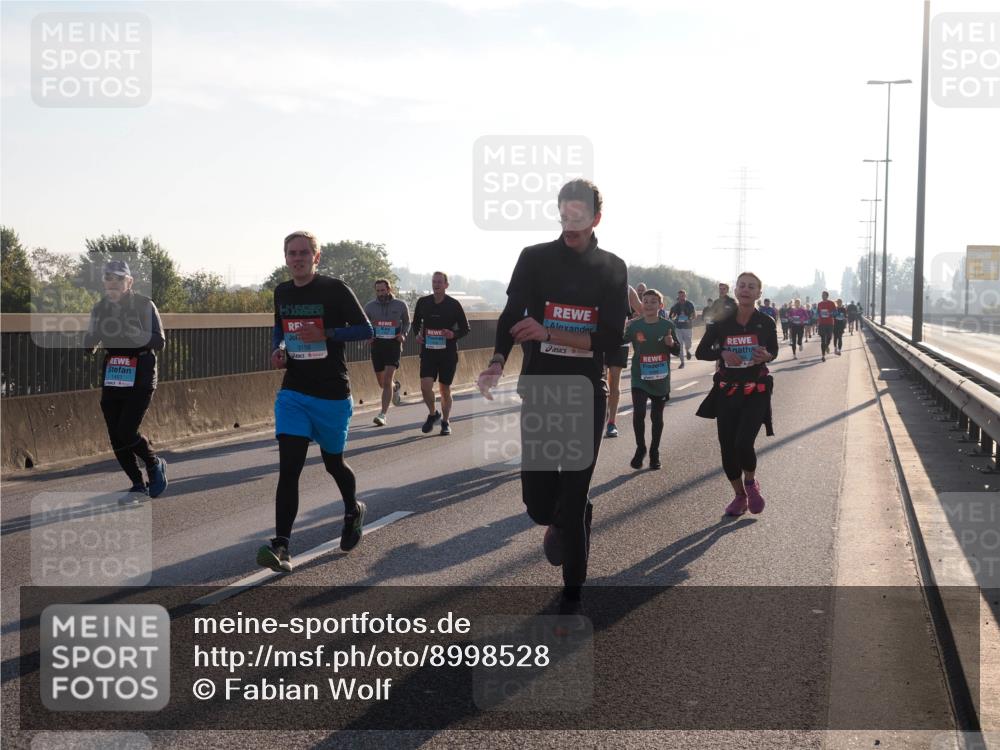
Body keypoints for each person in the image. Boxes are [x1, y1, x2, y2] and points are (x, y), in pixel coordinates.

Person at [477, 178, 628, 616]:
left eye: (579, 215)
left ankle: (572, 594)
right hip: (541, 389)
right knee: (539, 503)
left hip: (585, 391)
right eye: (564, 214)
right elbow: (510, 313)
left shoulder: (613, 268)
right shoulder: (535, 259)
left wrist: (549, 332)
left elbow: (609, 339)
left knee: (575, 491)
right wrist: (497, 360)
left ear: (596, 218)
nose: (570, 222)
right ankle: (565, 515)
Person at [258, 231, 373, 574]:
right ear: (285, 257)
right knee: (289, 469)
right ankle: (281, 545)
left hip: (332, 393)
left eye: (304, 253)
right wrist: (279, 348)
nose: (297, 258)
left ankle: (353, 510)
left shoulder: (335, 289)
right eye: (291, 253)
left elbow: (365, 330)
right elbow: (280, 328)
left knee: (333, 463)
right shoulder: (282, 291)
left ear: (316, 257)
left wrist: (327, 334)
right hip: (294, 391)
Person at [83, 260, 168, 505]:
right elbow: (91, 340)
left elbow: (159, 341)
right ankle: (137, 485)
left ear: (129, 282)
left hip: (140, 372)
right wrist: (90, 342)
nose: (113, 284)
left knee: (126, 430)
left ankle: (153, 463)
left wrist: (137, 335)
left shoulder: (144, 304)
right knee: (115, 435)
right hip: (114, 373)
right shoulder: (100, 308)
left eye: (119, 279)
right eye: (108, 280)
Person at [695, 271, 778, 516]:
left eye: (751, 286)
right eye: (742, 285)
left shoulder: (766, 322)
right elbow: (701, 352)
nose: (745, 289)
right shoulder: (722, 322)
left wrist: (768, 356)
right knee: (727, 448)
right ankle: (739, 496)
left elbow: (773, 350)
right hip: (727, 391)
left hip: (756, 390)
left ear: (758, 293)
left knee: (743, 442)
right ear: (735, 290)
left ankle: (751, 484)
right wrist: (721, 353)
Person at [625, 289, 680, 470]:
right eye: (645, 301)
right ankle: (641, 448)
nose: (648, 305)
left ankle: (654, 451)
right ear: (641, 304)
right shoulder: (634, 326)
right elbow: (618, 340)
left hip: (660, 379)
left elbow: (677, 350)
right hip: (639, 377)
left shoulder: (667, 326)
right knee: (639, 413)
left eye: (653, 302)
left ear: (660, 306)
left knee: (657, 417)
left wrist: (671, 344)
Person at [412, 271, 471, 436]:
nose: (436, 284)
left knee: (445, 389)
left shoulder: (454, 304)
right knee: (425, 387)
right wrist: (417, 334)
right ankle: (433, 414)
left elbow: (465, 328)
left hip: (448, 354)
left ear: (446, 285)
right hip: (429, 352)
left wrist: (453, 334)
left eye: (439, 282)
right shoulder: (423, 302)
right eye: (434, 281)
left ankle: (445, 421)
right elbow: (416, 322)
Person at [364, 279, 409, 426]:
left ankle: (382, 414)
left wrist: (403, 334)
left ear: (389, 289)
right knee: (382, 383)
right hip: (377, 346)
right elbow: (365, 324)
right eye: (378, 291)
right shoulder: (370, 307)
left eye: (383, 290)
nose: (380, 293)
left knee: (388, 377)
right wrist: (368, 336)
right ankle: (395, 387)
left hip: (393, 345)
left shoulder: (400, 305)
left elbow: (407, 322)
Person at [605, 285, 641, 438]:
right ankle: (600, 415)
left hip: (619, 342)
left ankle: (611, 422)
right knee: (597, 383)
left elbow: (642, 311)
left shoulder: (627, 289)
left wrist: (630, 323)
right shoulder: (592, 280)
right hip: (593, 341)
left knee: (614, 381)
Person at [667, 289, 696, 368]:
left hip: (688, 327)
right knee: (680, 345)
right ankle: (682, 362)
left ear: (685, 296)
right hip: (678, 328)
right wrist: (674, 317)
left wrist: (689, 319)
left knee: (688, 344)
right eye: (680, 296)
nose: (681, 298)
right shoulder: (675, 306)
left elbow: (694, 316)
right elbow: (671, 316)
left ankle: (687, 350)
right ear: (678, 297)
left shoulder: (690, 304)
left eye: (683, 296)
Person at [816, 291, 836, 362]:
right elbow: (817, 313)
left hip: (830, 323)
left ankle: (827, 346)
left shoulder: (831, 303)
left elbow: (835, 312)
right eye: (822, 295)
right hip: (822, 323)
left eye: (824, 295)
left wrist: (830, 313)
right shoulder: (819, 304)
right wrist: (818, 316)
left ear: (827, 296)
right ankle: (823, 355)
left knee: (829, 337)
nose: (822, 296)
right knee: (822, 340)